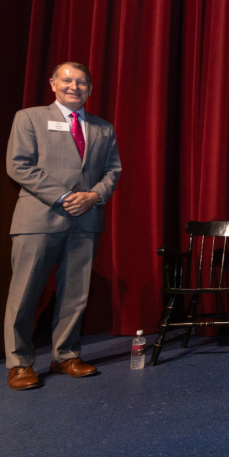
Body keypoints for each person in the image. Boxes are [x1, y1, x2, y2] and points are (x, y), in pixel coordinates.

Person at [5, 62, 121, 390]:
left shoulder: (103, 128)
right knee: (25, 293)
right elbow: (19, 165)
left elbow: (112, 171)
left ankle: (65, 355)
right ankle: (19, 363)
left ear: (90, 89)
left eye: (82, 82)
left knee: (75, 293)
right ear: (53, 83)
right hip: (38, 218)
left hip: (85, 220)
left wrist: (93, 197)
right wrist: (65, 196)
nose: (74, 87)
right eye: (67, 80)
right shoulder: (29, 117)